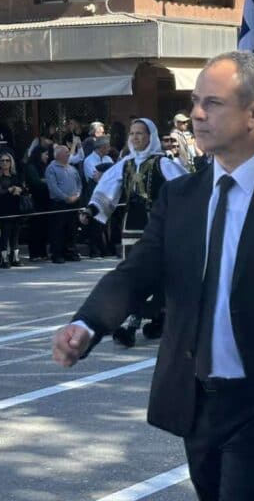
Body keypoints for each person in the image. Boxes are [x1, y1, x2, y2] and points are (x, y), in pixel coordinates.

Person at [52, 51, 254, 501]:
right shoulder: (181, 196)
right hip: (196, 401)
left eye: (214, 103)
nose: (197, 114)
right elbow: (138, 270)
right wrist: (88, 324)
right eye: (195, 100)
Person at [80, 118, 185, 346]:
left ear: (151, 137)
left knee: (161, 273)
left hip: (158, 226)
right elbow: (108, 188)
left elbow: (185, 188)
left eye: (140, 133)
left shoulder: (163, 164)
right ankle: (135, 322)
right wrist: (91, 209)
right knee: (134, 274)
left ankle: (159, 317)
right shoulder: (125, 164)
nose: (135, 137)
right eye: (133, 133)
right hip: (132, 224)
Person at [45, 145, 82, 264]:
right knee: (58, 230)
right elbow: (53, 187)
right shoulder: (51, 168)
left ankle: (70, 252)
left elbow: (79, 183)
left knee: (71, 229)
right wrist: (66, 197)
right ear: (58, 154)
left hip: (73, 203)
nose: (68, 154)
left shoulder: (72, 168)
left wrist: (77, 195)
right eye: (66, 152)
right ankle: (57, 254)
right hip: (59, 204)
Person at [0, 150, 25, 268]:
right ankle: (4, 259)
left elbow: (24, 189)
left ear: (11, 162)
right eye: (2, 161)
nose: (5, 163)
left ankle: (15, 257)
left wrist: (19, 189)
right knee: (5, 234)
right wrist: (10, 189)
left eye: (7, 160)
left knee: (15, 234)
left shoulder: (16, 176)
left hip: (16, 208)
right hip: (3, 209)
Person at [24, 144, 52, 260]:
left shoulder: (44, 167)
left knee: (44, 227)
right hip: (36, 201)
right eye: (45, 154)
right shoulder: (31, 167)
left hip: (45, 201)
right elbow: (36, 182)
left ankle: (43, 252)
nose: (47, 156)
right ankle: (35, 253)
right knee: (35, 227)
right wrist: (47, 181)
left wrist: (45, 180)